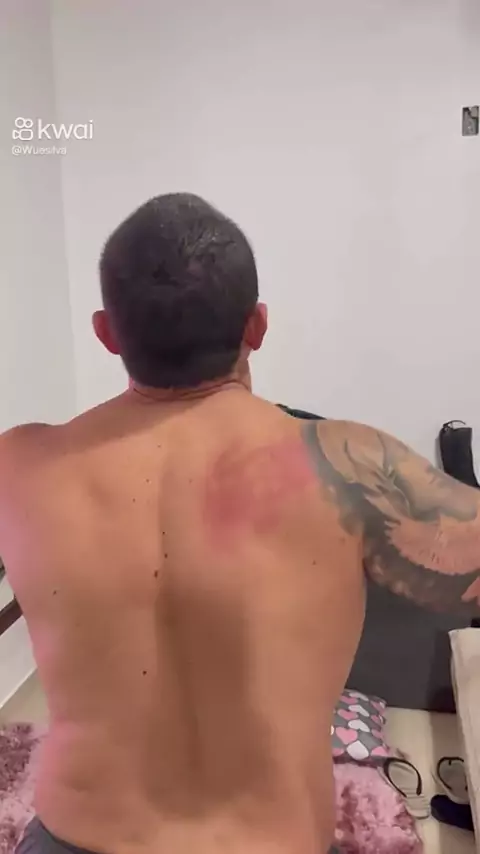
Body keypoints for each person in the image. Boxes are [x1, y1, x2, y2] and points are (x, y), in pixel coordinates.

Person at [3, 192, 480, 854]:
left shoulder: (19, 464)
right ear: (257, 324)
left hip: (74, 836)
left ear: (106, 333)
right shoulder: (347, 466)